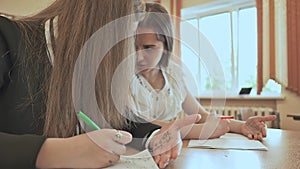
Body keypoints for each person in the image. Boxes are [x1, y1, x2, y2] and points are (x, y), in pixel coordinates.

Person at [0, 1, 201, 168]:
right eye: (124, 47)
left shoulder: (89, 70)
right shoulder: (7, 38)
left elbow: (121, 119)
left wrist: (155, 136)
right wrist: (55, 151)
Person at [130, 2, 277, 141]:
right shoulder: (125, 78)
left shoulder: (173, 74)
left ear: (166, 47)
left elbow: (202, 115)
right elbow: (140, 125)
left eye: (148, 47)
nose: (138, 56)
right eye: (132, 47)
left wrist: (241, 125)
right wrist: (200, 131)